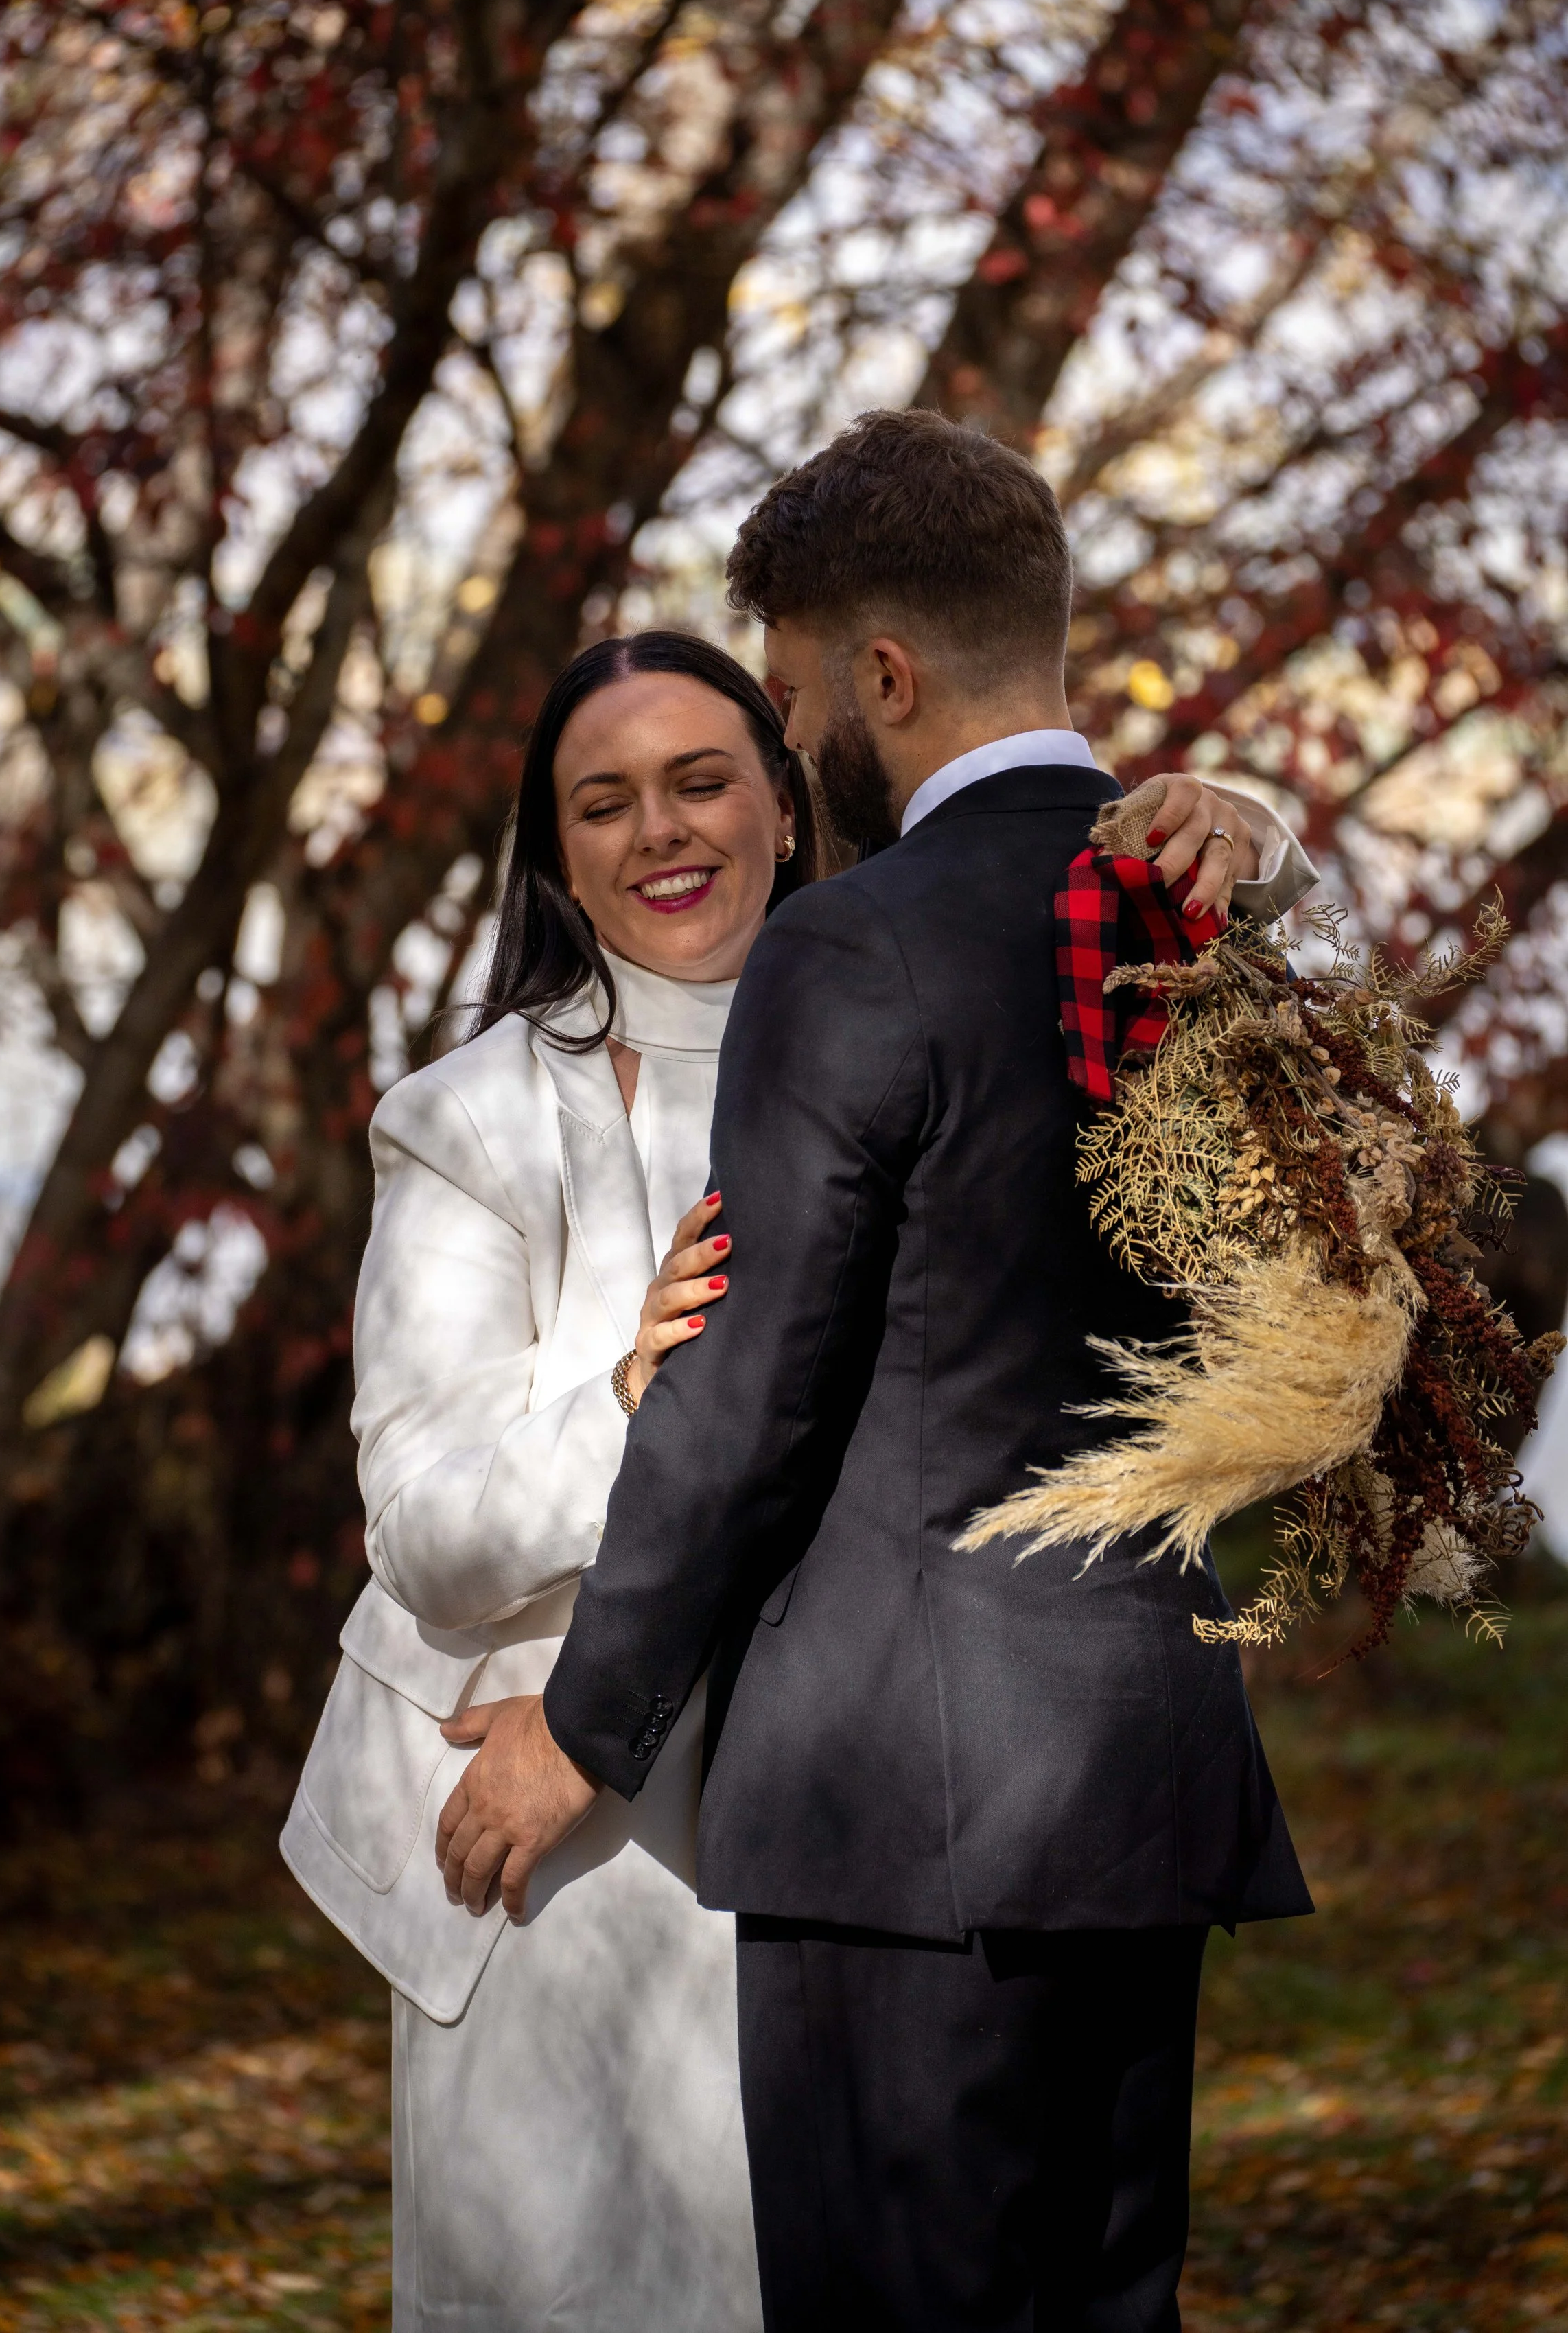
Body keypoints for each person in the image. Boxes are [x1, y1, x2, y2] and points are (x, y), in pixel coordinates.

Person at [283, 618, 1313, 2331]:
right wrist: (630, 1390)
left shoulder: (920, 987)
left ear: (784, 795)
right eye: (599, 805)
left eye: (700, 781)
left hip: (858, 1824)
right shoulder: (467, 1124)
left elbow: (1166, 953)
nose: (658, 833)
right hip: (572, 1854)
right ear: (551, 854)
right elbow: (430, 1535)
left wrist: (1251, 831)